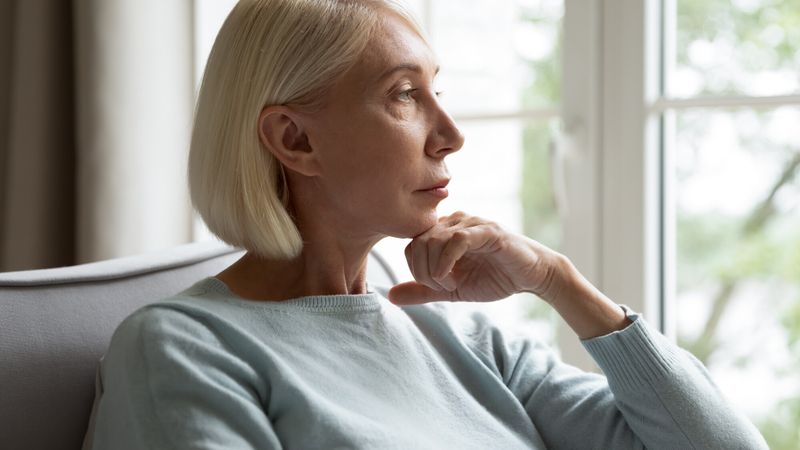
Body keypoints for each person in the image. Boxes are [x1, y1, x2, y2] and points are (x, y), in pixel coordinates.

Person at [83, 0, 768, 448]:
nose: (449, 134)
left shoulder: (461, 335)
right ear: (294, 140)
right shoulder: (182, 349)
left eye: (437, 90)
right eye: (405, 95)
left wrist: (560, 283)